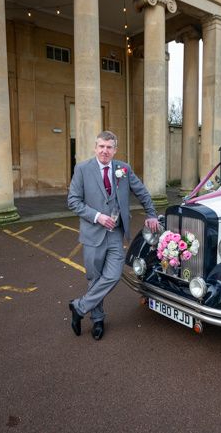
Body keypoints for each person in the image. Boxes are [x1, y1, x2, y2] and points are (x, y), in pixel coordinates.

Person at [67, 130, 159, 340]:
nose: (104, 151)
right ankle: (97, 319)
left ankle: (79, 307)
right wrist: (97, 216)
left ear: (115, 150)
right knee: (95, 278)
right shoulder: (82, 169)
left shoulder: (123, 169)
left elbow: (142, 192)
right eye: (101, 146)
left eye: (109, 147)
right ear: (95, 147)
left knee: (114, 275)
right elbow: (73, 201)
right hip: (93, 233)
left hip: (116, 234)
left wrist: (152, 214)